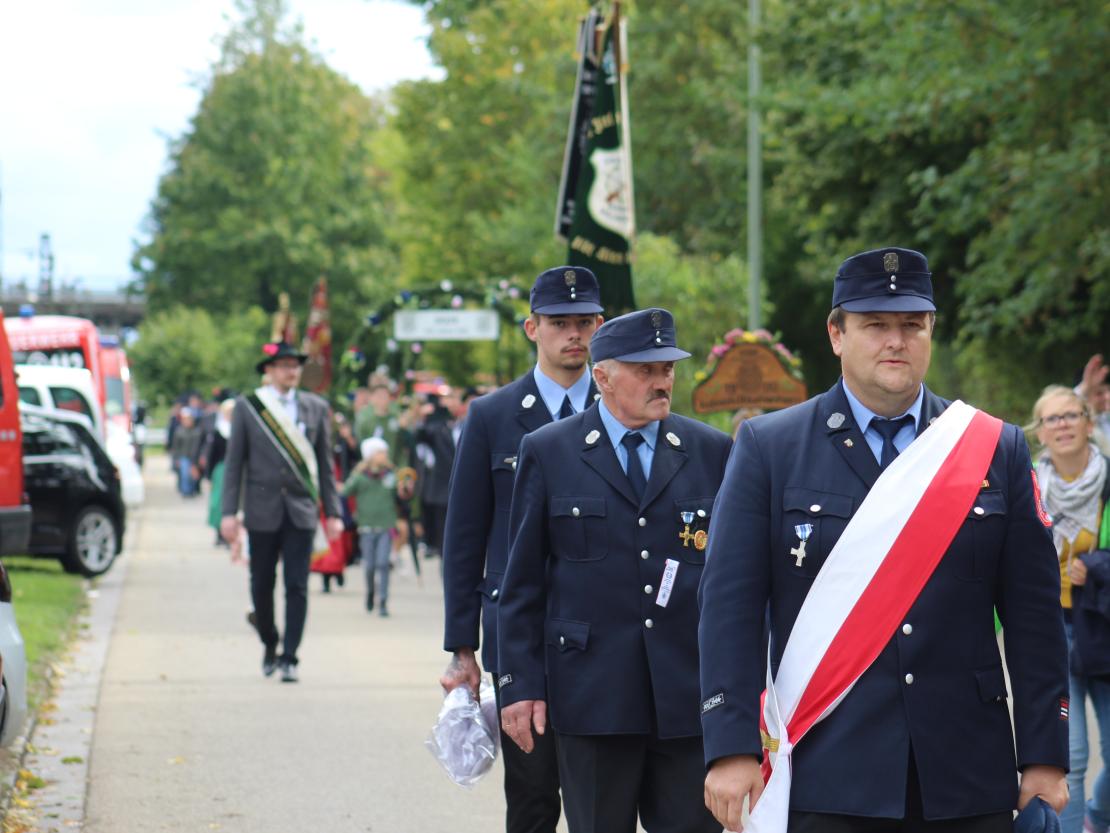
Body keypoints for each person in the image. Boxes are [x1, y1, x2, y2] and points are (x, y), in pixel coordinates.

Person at [699, 247, 1069, 833]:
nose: (895, 341)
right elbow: (729, 610)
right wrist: (730, 745)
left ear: (930, 332)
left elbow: (1034, 618)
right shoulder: (770, 449)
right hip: (828, 766)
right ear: (836, 334)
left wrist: (1046, 757)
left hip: (964, 772)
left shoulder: (993, 448)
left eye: (911, 325)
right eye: (875, 325)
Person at [498, 307, 732, 833]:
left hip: (685, 696)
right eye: (645, 370)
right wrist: (518, 684)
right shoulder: (550, 451)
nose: (661, 381)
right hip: (591, 695)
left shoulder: (710, 450)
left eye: (668, 369)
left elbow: (734, 582)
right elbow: (522, 585)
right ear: (601, 376)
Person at [440, 265, 605, 833]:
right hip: (521, 632)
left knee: (598, 796)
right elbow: (464, 537)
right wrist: (463, 648)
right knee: (533, 797)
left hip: (600, 629)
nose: (574, 335)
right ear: (532, 328)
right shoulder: (492, 416)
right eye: (560, 323)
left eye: (585, 322)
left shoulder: (616, 413)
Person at [220, 341, 344, 683]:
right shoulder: (249, 408)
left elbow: (323, 464)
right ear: (269, 371)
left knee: (297, 585)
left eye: (295, 365)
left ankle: (290, 656)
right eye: (284, 365)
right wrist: (228, 512)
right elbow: (234, 464)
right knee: (261, 584)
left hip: (301, 511)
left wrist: (332, 512)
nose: (292, 371)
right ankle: (269, 640)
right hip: (261, 510)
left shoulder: (316, 407)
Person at [1032, 385, 1110, 833]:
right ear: (1040, 432)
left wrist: (1097, 567)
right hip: (1051, 632)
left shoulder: (1108, 482)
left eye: (1070, 415)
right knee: (1072, 758)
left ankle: (1098, 818)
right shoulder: (1028, 488)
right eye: (1052, 419)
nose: (1062, 425)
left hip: (1101, 627)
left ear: (1087, 422)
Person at [342, 437, 398, 617]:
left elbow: (402, 494)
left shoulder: (390, 475)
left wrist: (406, 488)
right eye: (380, 452)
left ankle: (383, 600)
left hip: (386, 527)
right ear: (371, 455)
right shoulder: (360, 476)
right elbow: (345, 492)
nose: (384, 456)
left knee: (383, 563)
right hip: (366, 527)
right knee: (370, 566)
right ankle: (370, 593)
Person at [200, 398, 236, 546]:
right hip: (220, 470)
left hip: (233, 470)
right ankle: (218, 532)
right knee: (217, 503)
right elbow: (212, 455)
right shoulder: (218, 431)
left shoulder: (238, 430)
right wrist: (208, 475)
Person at [169, 408, 203, 497]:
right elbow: (176, 447)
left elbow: (199, 446)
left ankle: (192, 490)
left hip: (194, 457)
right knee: (184, 475)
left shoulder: (197, 431)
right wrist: (176, 458)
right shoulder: (179, 431)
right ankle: (185, 491)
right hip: (183, 456)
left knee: (193, 475)